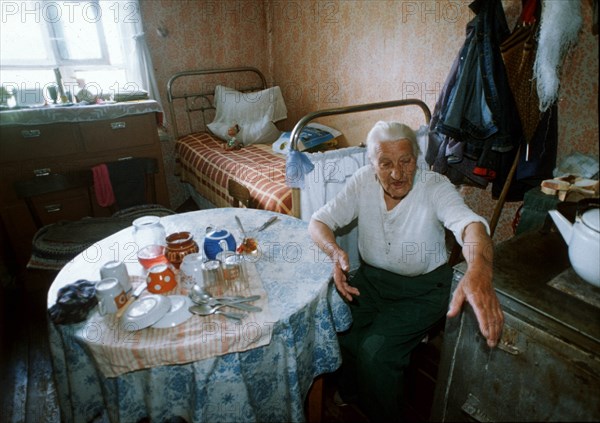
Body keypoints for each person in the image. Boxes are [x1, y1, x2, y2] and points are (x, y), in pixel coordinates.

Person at [308, 121, 504, 422]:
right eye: (385, 164)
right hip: (372, 283)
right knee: (340, 329)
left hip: (423, 292)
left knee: (376, 354)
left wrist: (479, 267)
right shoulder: (363, 181)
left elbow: (471, 226)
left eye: (406, 161)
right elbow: (319, 221)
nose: (397, 174)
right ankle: (352, 394)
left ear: (417, 157)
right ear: (372, 163)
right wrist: (335, 253)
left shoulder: (435, 186)